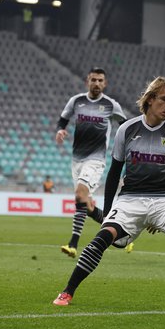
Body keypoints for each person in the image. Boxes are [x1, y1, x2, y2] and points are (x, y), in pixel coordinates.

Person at [52, 77, 165, 310]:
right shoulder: (127, 129)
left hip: (164, 199)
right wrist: (109, 211)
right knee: (101, 240)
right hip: (129, 199)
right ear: (150, 99)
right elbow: (114, 173)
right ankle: (67, 292)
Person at [55, 67, 128, 258]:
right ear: (88, 80)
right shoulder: (76, 101)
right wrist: (60, 130)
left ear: (105, 83)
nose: (96, 83)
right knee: (85, 205)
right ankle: (122, 233)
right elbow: (63, 119)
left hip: (96, 159)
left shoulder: (111, 105)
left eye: (100, 80)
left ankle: (73, 244)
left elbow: (126, 128)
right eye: (93, 79)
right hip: (76, 159)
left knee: (80, 195)